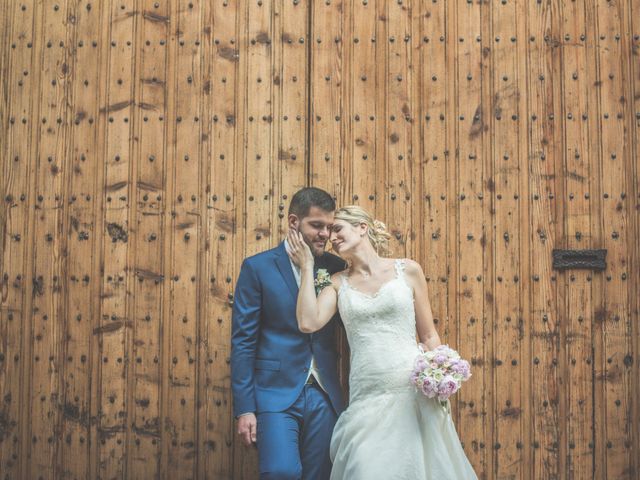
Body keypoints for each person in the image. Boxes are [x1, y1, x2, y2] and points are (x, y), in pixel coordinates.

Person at [285, 205, 478, 479]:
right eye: (330, 234)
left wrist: (443, 375)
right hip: (368, 393)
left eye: (338, 229)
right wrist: (307, 267)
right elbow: (308, 322)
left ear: (362, 227)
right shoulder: (338, 283)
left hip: (413, 389)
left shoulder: (408, 270)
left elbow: (429, 335)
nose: (332, 238)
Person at [231, 187, 348, 480]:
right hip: (274, 392)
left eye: (330, 227)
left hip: (325, 392)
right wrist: (245, 409)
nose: (325, 234)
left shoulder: (335, 268)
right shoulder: (257, 267)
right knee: (280, 472)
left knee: (321, 474)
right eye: (317, 225)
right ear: (294, 222)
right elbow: (243, 342)